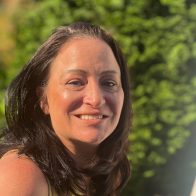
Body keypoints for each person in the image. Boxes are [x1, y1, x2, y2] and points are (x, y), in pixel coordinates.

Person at [0, 22, 131, 196]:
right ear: (43, 99)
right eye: (75, 82)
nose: (96, 99)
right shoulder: (22, 177)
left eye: (109, 83)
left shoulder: (105, 172)